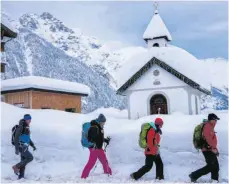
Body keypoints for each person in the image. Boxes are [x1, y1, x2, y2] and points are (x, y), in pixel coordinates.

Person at [189, 113, 220, 183]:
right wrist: (213, 149)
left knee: (215, 166)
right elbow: (208, 139)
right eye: (215, 120)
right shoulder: (207, 127)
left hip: (210, 149)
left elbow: (212, 140)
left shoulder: (210, 127)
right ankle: (194, 175)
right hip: (207, 150)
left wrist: (216, 150)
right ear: (211, 120)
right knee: (211, 166)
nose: (216, 121)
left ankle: (215, 180)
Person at [81, 114, 112, 179]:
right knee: (92, 162)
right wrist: (101, 140)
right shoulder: (95, 127)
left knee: (104, 160)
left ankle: (108, 172)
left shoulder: (97, 125)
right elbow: (95, 138)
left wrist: (105, 140)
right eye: (103, 122)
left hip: (96, 148)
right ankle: (83, 176)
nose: (104, 124)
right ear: (101, 121)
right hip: (95, 148)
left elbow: (98, 137)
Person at [12, 114, 37, 179]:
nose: (30, 121)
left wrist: (32, 145)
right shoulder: (21, 126)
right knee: (30, 157)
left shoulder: (26, 126)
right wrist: (16, 149)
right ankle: (16, 167)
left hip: (25, 146)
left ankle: (21, 177)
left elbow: (27, 138)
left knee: (23, 162)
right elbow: (16, 138)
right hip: (21, 146)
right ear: (25, 119)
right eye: (29, 119)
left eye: (30, 119)